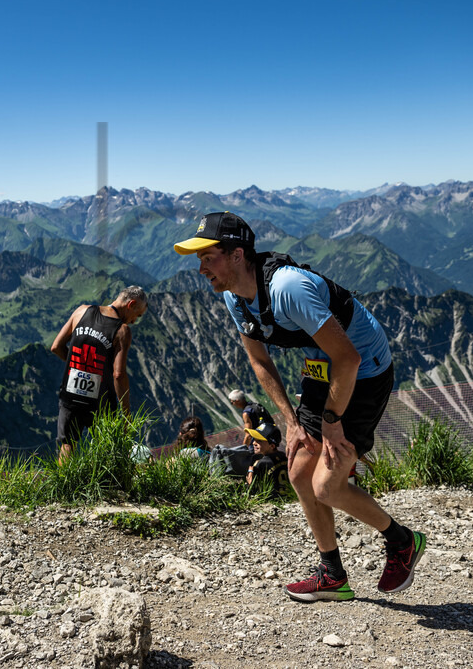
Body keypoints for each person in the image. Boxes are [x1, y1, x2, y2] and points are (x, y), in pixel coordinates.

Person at [174, 211, 425, 602]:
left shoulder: (288, 288)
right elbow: (260, 362)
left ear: (238, 254)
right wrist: (290, 421)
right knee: (297, 469)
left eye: (209, 256)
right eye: (199, 259)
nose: (201, 267)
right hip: (323, 368)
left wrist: (332, 421)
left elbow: (349, 359)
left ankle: (402, 541)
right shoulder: (234, 297)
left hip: (364, 369)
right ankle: (333, 575)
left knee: (326, 486)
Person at [50, 286, 147, 462]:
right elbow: (118, 375)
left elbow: (56, 347)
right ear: (131, 304)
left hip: (71, 393)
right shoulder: (122, 331)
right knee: (108, 447)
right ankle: (106, 487)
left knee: (67, 445)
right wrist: (126, 415)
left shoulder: (81, 311)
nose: (134, 321)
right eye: (137, 315)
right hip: (101, 399)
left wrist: (79, 367)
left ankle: (64, 487)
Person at [245, 421, 289, 496]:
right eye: (254, 439)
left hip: (272, 500)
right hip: (288, 496)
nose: (254, 443)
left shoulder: (261, 464)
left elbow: (253, 489)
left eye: (259, 441)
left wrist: (249, 478)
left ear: (272, 446)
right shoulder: (285, 457)